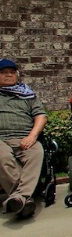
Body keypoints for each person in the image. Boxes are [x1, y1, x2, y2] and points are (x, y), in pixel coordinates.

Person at [0, 59, 46, 219]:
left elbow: (41, 115)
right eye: (4, 72)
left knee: (36, 152)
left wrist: (32, 136)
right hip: (0, 139)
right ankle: (24, 198)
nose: (8, 75)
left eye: (12, 72)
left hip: (24, 136)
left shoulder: (27, 95)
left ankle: (18, 199)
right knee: (3, 157)